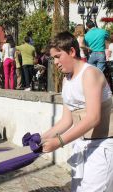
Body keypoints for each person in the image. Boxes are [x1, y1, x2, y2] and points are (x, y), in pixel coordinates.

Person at [42, 31, 113, 192]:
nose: (56, 62)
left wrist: (59, 142)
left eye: (58, 56)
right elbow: (66, 121)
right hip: (83, 146)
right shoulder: (67, 80)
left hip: (103, 147)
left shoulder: (90, 74)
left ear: (72, 51)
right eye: (53, 58)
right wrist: (41, 138)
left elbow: (93, 118)